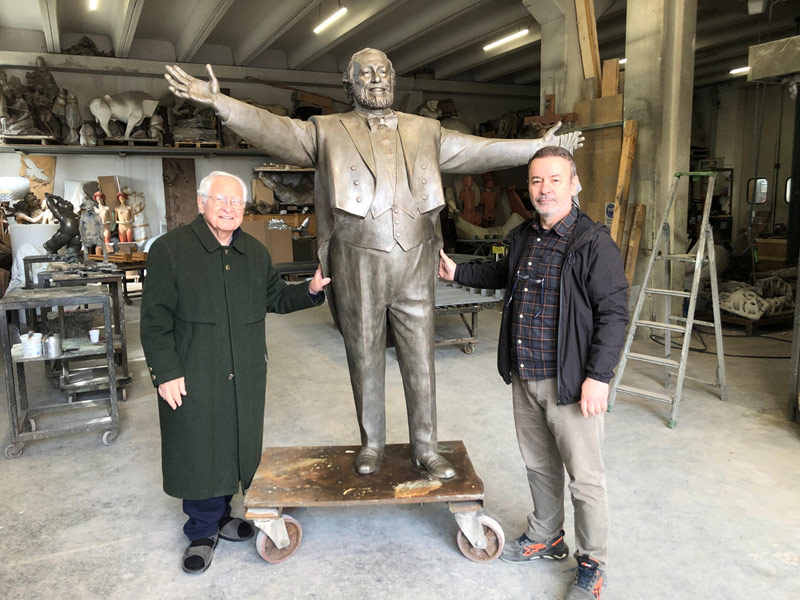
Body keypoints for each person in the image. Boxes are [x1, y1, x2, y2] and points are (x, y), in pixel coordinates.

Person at [163, 49, 582, 480]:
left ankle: (426, 446)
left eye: (383, 72)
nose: (377, 78)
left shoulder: (426, 130)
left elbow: (479, 150)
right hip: (356, 262)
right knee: (363, 356)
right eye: (366, 73)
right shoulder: (326, 130)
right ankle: (372, 444)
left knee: (421, 360)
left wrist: (538, 147)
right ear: (350, 85)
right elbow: (276, 131)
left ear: (393, 79)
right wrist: (221, 104)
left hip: (415, 261)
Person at [438, 147, 628, 600]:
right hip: (525, 375)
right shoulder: (524, 235)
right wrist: (457, 271)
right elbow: (503, 273)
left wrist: (599, 376)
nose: (544, 189)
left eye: (555, 179)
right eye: (537, 181)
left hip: (570, 381)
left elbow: (614, 313)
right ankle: (547, 535)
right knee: (539, 464)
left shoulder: (592, 242)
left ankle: (592, 563)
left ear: (574, 184)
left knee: (585, 478)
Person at [140, 171, 330, 574]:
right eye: (221, 200)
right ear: (201, 202)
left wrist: (311, 290)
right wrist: (165, 372)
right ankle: (201, 531)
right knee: (199, 446)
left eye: (236, 202)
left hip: (243, 369)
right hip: (194, 369)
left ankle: (224, 515)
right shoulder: (170, 250)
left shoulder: (254, 254)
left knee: (234, 442)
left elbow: (276, 298)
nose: (229, 208)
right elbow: (154, 320)